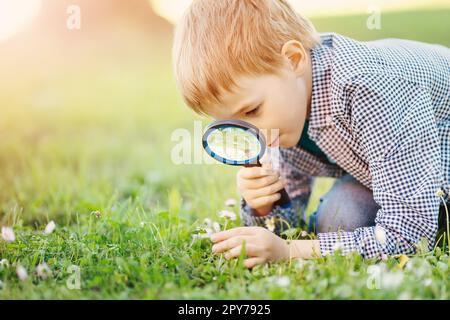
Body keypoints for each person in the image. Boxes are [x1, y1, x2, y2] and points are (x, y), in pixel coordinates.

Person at [172, 0, 450, 268]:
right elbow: (284, 228)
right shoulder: (283, 109)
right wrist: (264, 205)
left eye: (253, 111)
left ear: (293, 60)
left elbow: (410, 235)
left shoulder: (369, 90)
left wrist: (292, 252)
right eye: (234, 125)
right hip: (398, 171)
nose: (255, 136)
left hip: (440, 167)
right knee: (340, 218)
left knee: (360, 223)